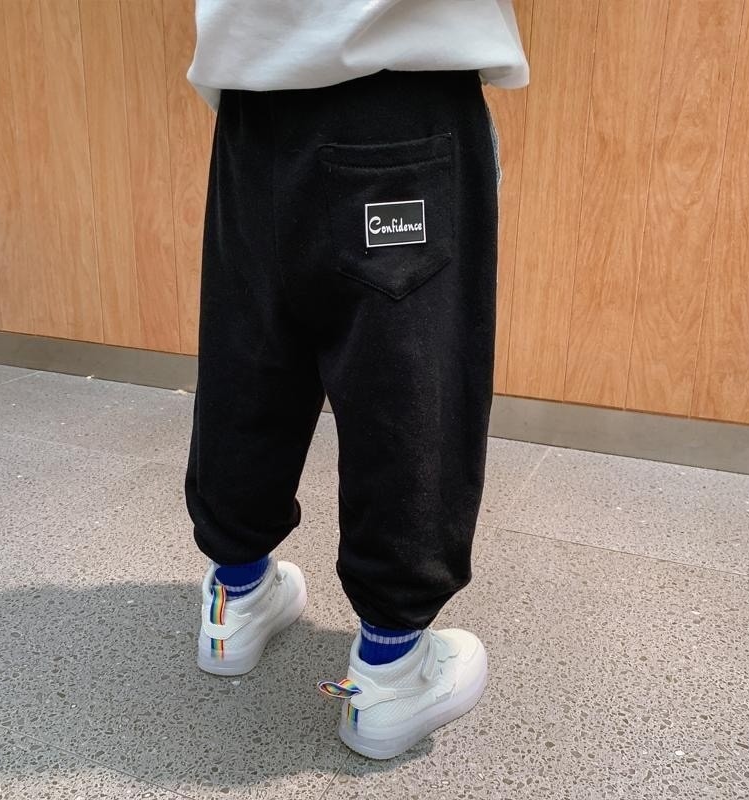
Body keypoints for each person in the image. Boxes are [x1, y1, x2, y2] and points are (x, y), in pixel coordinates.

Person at [184, 0, 529, 760]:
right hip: (398, 97)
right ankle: (390, 671)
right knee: (406, 384)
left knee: (251, 355)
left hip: (251, 110)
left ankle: (234, 599)